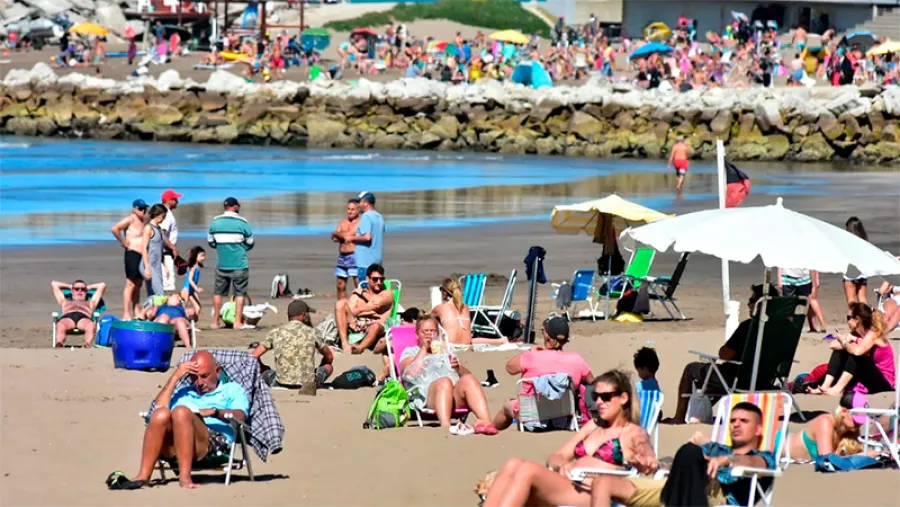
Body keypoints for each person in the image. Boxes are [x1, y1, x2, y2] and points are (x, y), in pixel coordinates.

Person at [483, 370, 657, 507]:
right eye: (595, 397)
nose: (599, 402)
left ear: (624, 398)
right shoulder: (593, 425)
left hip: (591, 493)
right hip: (567, 484)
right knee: (513, 463)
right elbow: (556, 456)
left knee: (527, 471)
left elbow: (649, 460)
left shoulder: (633, 432)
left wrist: (646, 461)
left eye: (606, 397)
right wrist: (563, 464)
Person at [590, 402, 776, 507]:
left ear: (759, 428)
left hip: (715, 493)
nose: (736, 424)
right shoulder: (714, 448)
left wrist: (727, 460)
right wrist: (655, 465)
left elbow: (752, 462)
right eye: (733, 420)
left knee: (690, 451)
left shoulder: (765, 457)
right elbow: (682, 465)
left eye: (744, 421)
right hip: (675, 487)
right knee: (602, 483)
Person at [109, 351, 248, 489]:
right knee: (161, 414)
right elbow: (153, 412)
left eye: (204, 376)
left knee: (181, 412)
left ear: (217, 372)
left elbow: (241, 416)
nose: (199, 382)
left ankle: (185, 477)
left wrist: (215, 412)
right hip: (178, 444)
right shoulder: (184, 393)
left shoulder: (232, 390)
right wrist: (175, 376)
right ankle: (144, 475)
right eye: (194, 377)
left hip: (215, 443)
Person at [664, 285, 779, 424]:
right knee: (719, 376)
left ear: (761, 304)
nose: (749, 304)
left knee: (691, 369)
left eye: (752, 300)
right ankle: (698, 414)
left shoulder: (749, 326)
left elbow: (725, 354)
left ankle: (679, 418)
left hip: (740, 379)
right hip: (767, 379)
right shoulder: (782, 328)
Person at [491, 316, 594, 432]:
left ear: (547, 337)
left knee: (507, 405)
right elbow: (593, 383)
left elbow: (509, 368)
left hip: (530, 416)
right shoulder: (577, 360)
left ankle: (492, 429)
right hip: (564, 417)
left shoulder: (532, 357)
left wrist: (530, 351)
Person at [399, 316, 497, 434]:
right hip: (426, 397)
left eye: (433, 331)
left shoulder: (446, 352)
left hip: (452, 395)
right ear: (417, 335)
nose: (429, 334)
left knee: (469, 379)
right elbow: (410, 373)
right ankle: (446, 427)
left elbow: (469, 377)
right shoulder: (411, 351)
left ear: (438, 334)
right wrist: (424, 349)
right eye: (425, 331)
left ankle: (485, 421)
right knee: (444, 381)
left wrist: (458, 367)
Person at [808, 302, 895, 396]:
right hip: (868, 376)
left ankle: (837, 389)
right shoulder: (856, 334)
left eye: (848, 318)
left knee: (856, 354)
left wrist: (846, 342)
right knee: (842, 351)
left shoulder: (872, 333)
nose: (847, 321)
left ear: (857, 319)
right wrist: (847, 342)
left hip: (884, 381)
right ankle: (825, 386)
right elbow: (833, 345)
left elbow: (858, 351)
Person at [251, 300, 334, 395]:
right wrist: (319, 368)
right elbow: (330, 356)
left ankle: (275, 381)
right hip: (307, 382)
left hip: (280, 382)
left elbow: (254, 356)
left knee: (266, 371)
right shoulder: (312, 332)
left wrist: (262, 367)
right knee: (328, 367)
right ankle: (317, 382)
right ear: (303, 315)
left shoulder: (276, 332)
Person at [208, 197, 254, 330]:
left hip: (222, 262)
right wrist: (241, 249)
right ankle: (237, 322)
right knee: (239, 293)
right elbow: (250, 242)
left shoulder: (215, 222)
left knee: (218, 292)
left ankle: (215, 321)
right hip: (239, 263)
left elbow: (211, 242)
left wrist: (222, 248)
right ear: (234, 207)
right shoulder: (242, 222)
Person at [784, 392, 868, 462]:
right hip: (778, 445)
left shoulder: (851, 428)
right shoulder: (825, 422)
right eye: (856, 418)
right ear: (843, 412)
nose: (860, 423)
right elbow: (827, 460)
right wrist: (863, 456)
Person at [334, 264, 394, 355]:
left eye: (381, 279)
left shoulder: (387, 294)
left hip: (376, 326)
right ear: (367, 279)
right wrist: (366, 308)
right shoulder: (356, 295)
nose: (379, 282)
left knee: (375, 326)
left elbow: (376, 303)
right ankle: (345, 344)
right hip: (356, 324)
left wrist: (362, 293)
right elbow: (350, 312)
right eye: (375, 279)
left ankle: (360, 348)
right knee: (340, 303)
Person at [431, 278, 508, 347]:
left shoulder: (439, 308)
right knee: (471, 340)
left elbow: (426, 320)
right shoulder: (466, 307)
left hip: (450, 345)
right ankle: (499, 341)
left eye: (440, 289)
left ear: (444, 292)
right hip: (466, 345)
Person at [110, 199, 148, 320]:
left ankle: (136, 309)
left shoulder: (144, 220)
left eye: (144, 208)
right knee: (130, 284)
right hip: (132, 253)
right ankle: (126, 313)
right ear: (134, 209)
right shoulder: (130, 219)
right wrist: (122, 241)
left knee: (139, 284)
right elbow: (114, 228)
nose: (143, 211)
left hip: (142, 255)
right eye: (140, 209)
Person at [50, 279, 107, 347]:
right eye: (76, 289)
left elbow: (102, 285)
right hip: (68, 317)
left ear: (86, 291)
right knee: (61, 324)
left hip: (84, 317)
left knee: (90, 325)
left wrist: (88, 287)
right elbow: (54, 284)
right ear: (72, 291)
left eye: (83, 289)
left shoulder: (91, 303)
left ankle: (87, 344)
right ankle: (59, 343)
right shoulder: (64, 302)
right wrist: (69, 286)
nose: (80, 291)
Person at [347, 192, 384, 282]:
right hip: (377, 260)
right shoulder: (379, 217)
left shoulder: (366, 216)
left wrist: (351, 238)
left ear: (366, 203)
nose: (358, 205)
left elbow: (367, 237)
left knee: (365, 290)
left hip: (365, 262)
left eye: (360, 202)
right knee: (375, 289)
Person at [778, 267, 826, 332]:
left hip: (789, 278)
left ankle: (789, 327)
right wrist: (815, 282)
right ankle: (821, 324)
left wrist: (779, 279)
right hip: (803, 277)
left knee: (788, 303)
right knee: (811, 300)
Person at [331, 199, 360, 300]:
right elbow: (334, 238)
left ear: (358, 210)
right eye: (348, 209)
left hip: (354, 256)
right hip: (342, 257)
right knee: (340, 285)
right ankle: (342, 307)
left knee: (358, 284)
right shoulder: (343, 222)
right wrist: (340, 235)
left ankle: (361, 307)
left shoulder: (360, 222)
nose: (350, 211)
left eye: (352, 209)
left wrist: (338, 234)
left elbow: (346, 236)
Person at [141, 204, 167, 298]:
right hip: (148, 264)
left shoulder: (159, 229)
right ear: (159, 215)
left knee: (152, 295)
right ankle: (160, 312)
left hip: (157, 265)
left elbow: (160, 249)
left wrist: (165, 265)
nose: (164, 218)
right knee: (160, 293)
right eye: (164, 216)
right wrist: (147, 268)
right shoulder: (149, 228)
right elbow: (143, 248)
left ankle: (148, 312)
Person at [160, 189, 183, 292]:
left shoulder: (163, 211)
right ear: (169, 200)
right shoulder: (166, 214)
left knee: (164, 280)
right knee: (168, 282)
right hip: (165, 251)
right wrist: (172, 247)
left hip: (163, 250)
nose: (177, 201)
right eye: (175, 199)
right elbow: (162, 232)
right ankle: (166, 307)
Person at [843, 217, 870, 305]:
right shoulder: (864, 242)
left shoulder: (846, 242)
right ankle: (865, 317)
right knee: (863, 299)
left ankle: (852, 318)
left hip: (850, 274)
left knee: (851, 302)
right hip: (863, 273)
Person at [180, 246, 205, 317]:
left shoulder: (197, 267)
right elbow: (190, 280)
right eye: (201, 256)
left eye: (204, 256)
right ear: (195, 256)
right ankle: (183, 323)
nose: (203, 258)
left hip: (191, 291)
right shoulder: (193, 267)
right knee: (183, 308)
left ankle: (192, 324)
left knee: (198, 307)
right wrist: (197, 288)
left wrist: (194, 289)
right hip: (186, 289)